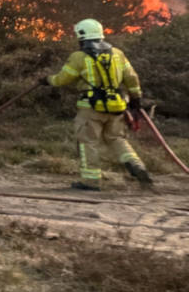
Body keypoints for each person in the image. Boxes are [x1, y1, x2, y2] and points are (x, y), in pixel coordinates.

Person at [43, 18, 153, 191]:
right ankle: (137, 166)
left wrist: (47, 80)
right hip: (117, 106)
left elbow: (62, 79)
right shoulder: (117, 53)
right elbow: (132, 77)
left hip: (90, 108)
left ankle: (91, 181)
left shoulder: (79, 57)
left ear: (81, 36)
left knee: (88, 142)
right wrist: (136, 99)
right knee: (116, 139)